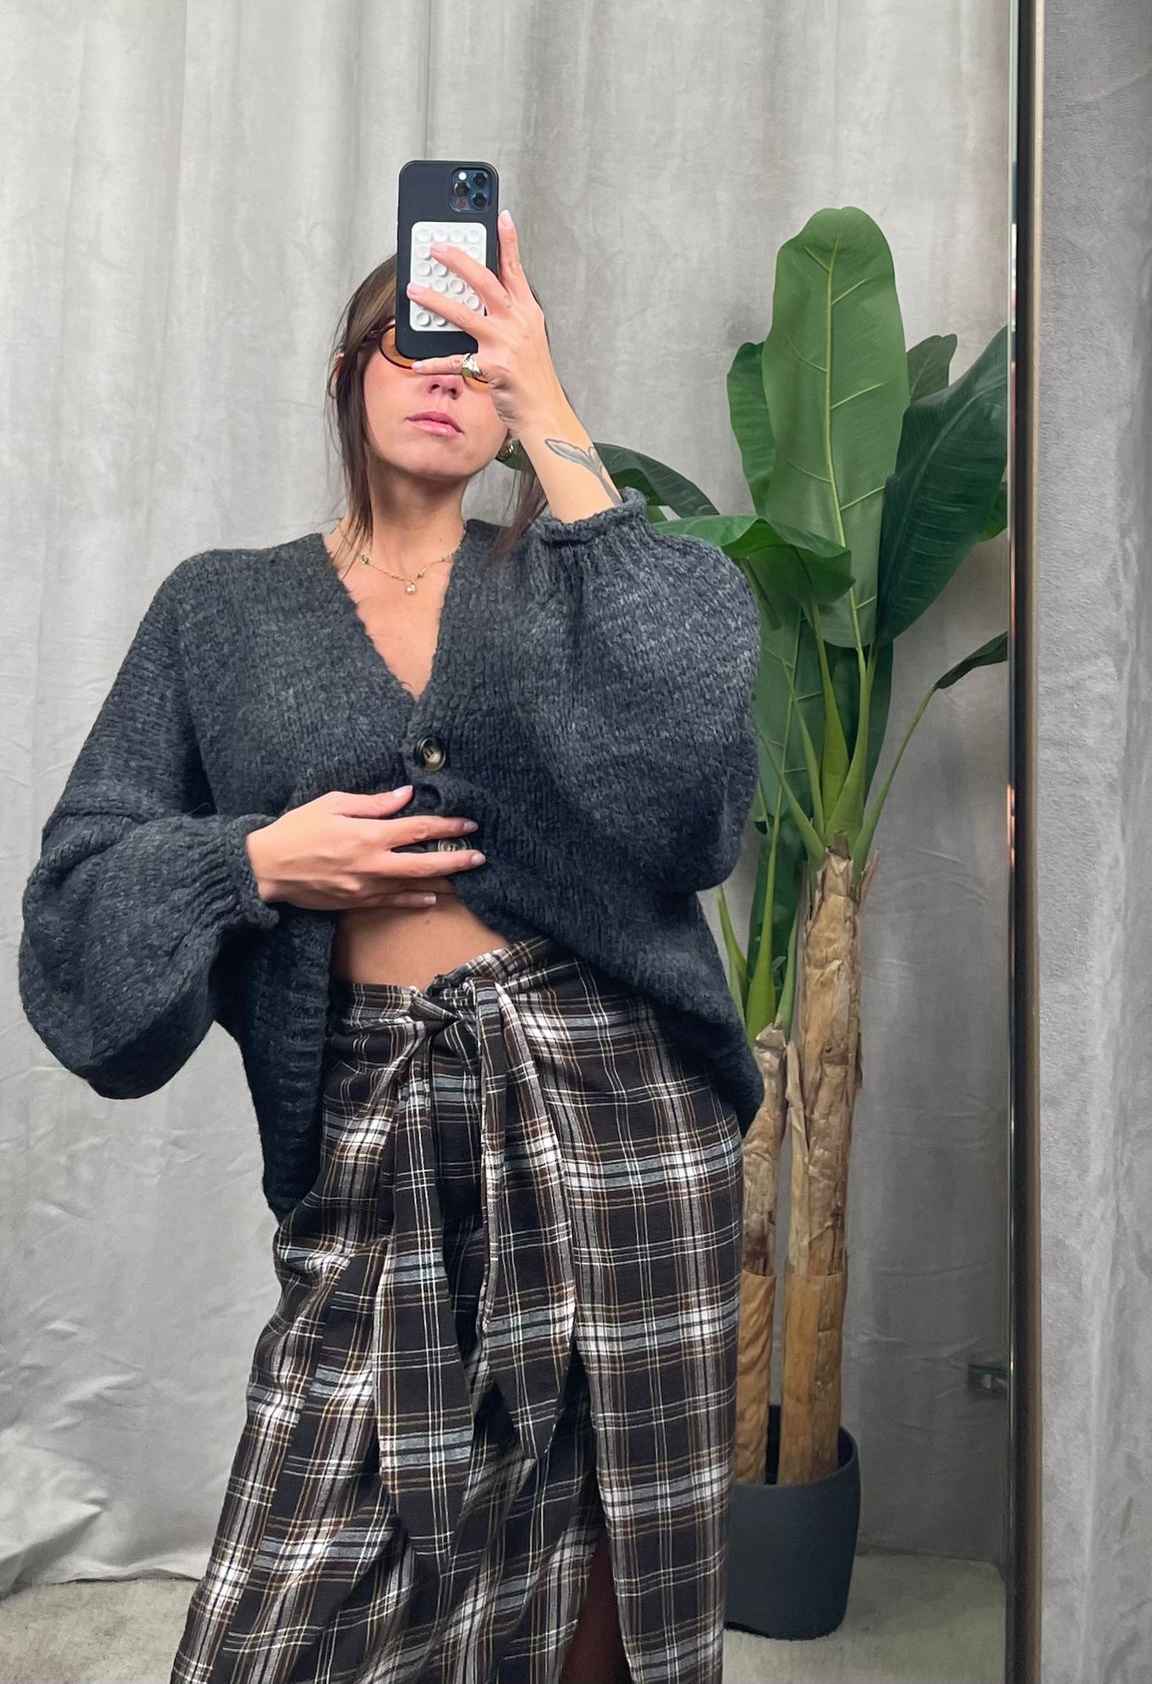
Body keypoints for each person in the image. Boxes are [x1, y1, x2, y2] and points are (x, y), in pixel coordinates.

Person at [19, 209, 765, 1683]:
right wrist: (251, 862)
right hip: (374, 1126)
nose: (446, 377)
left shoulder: (573, 583)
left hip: (620, 1117)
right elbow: (77, 901)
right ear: (347, 373)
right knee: (283, 1611)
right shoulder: (220, 608)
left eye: (484, 360)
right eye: (415, 343)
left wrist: (554, 418)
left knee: (614, 1566)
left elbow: (696, 785)